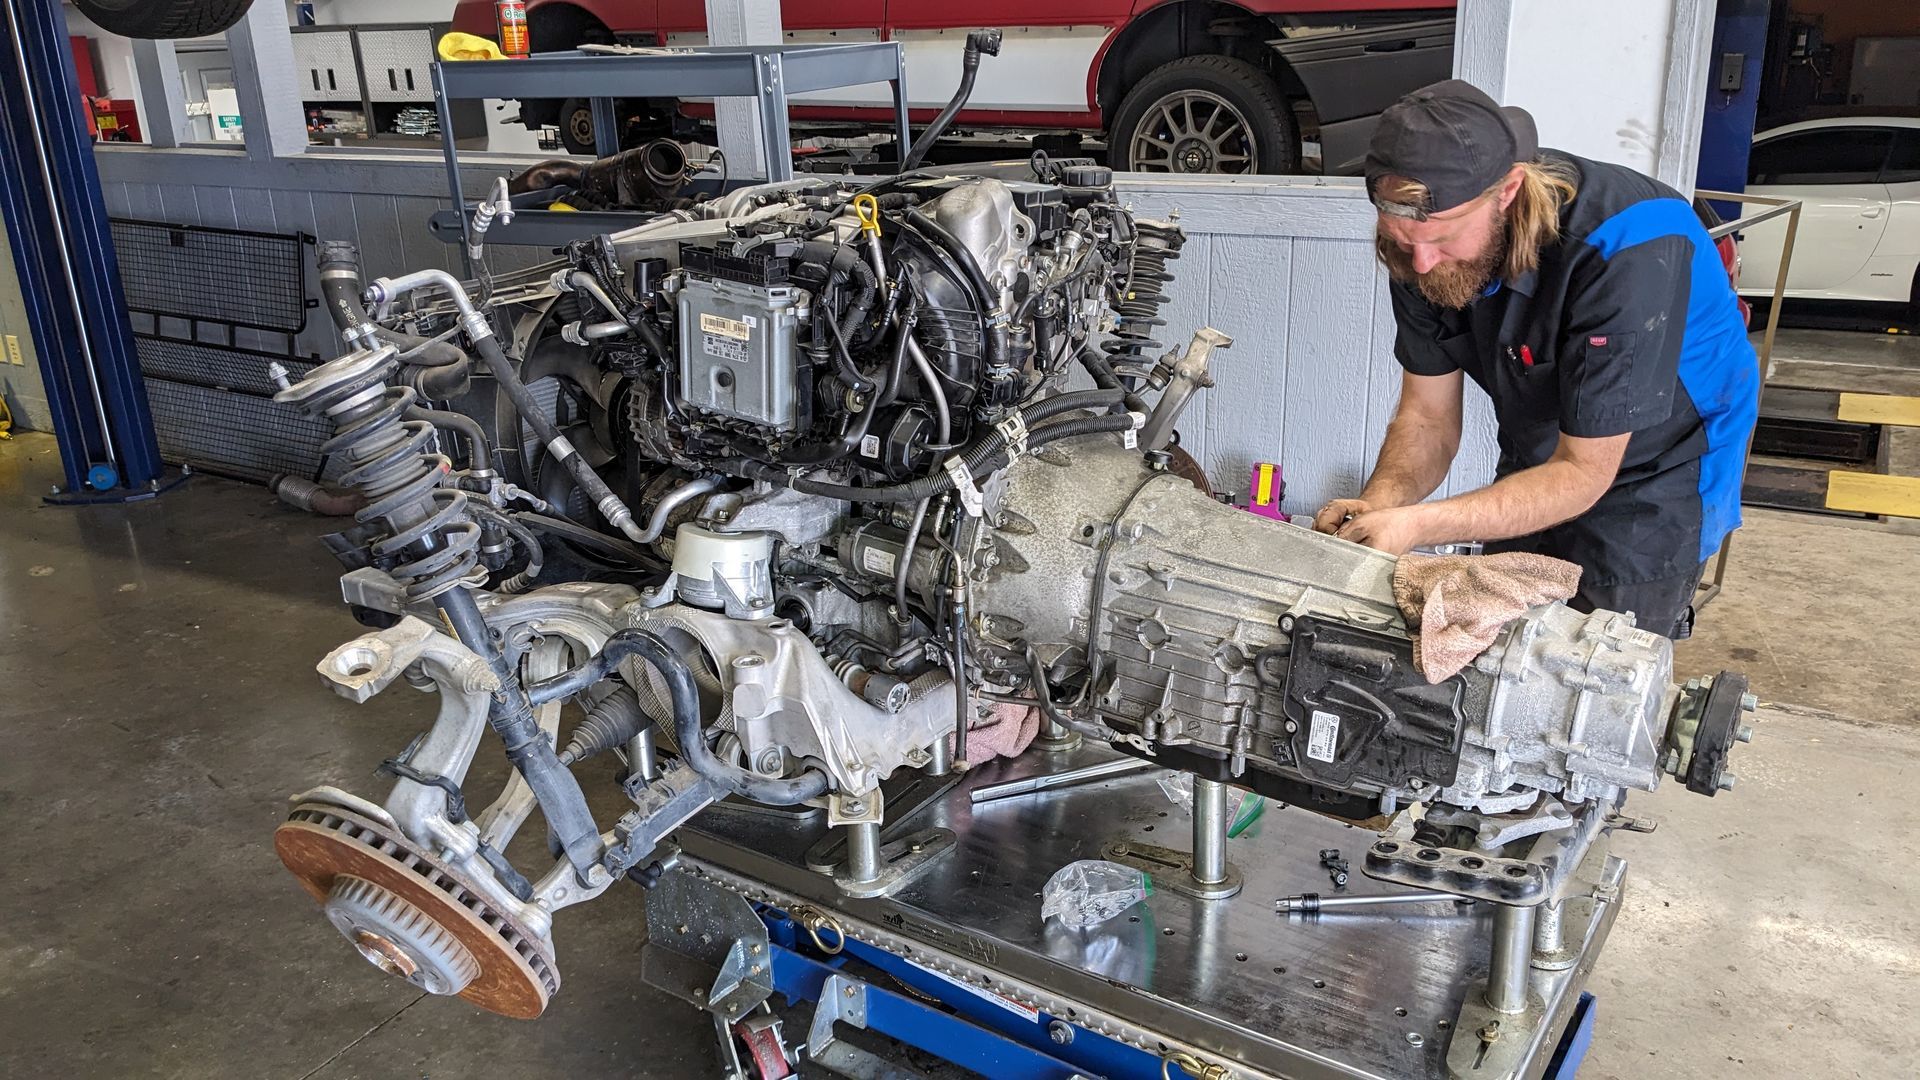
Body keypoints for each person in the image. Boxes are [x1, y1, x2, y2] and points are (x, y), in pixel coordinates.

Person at [1313, 80, 1759, 639]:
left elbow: (1583, 472)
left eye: (1444, 241)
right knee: (1499, 635)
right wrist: (1376, 509)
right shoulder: (1418, 246)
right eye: (1402, 241)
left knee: (1600, 658)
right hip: (1548, 444)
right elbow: (1427, 419)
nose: (1422, 264)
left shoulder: (1628, 245)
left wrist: (1417, 525)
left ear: (1508, 191)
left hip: (1662, 466)